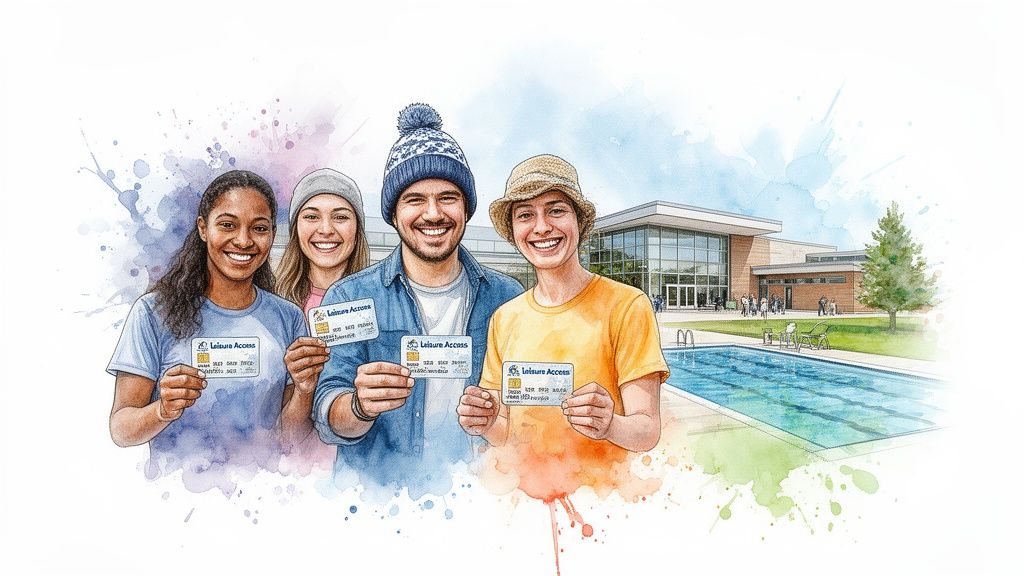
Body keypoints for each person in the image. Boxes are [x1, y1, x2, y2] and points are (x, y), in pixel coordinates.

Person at [311, 103, 522, 494]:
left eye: (448, 197)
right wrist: (360, 405)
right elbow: (327, 415)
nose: (433, 213)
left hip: (478, 501)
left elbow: (525, 414)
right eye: (414, 200)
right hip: (378, 502)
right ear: (394, 213)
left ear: (466, 208)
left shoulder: (509, 300)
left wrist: (500, 417)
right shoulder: (347, 297)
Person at [458, 154, 669, 493]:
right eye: (526, 215)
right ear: (514, 232)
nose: (541, 227)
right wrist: (483, 422)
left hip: (600, 500)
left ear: (579, 222)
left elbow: (647, 431)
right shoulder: (505, 318)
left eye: (555, 210)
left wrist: (609, 424)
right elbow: (504, 430)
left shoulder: (627, 306)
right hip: (527, 499)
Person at [106, 170, 308, 492]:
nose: (243, 241)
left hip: (262, 496)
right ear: (203, 228)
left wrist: (305, 389)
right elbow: (121, 428)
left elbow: (291, 437)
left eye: (259, 228)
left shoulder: (288, 318)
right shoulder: (151, 313)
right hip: (177, 498)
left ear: (271, 234)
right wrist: (162, 410)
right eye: (228, 225)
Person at [273, 168, 370, 455]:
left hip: (364, 470)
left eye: (340, 216)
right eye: (311, 216)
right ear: (295, 228)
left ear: (357, 229)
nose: (326, 229)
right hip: (293, 472)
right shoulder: (271, 308)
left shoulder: (385, 305)